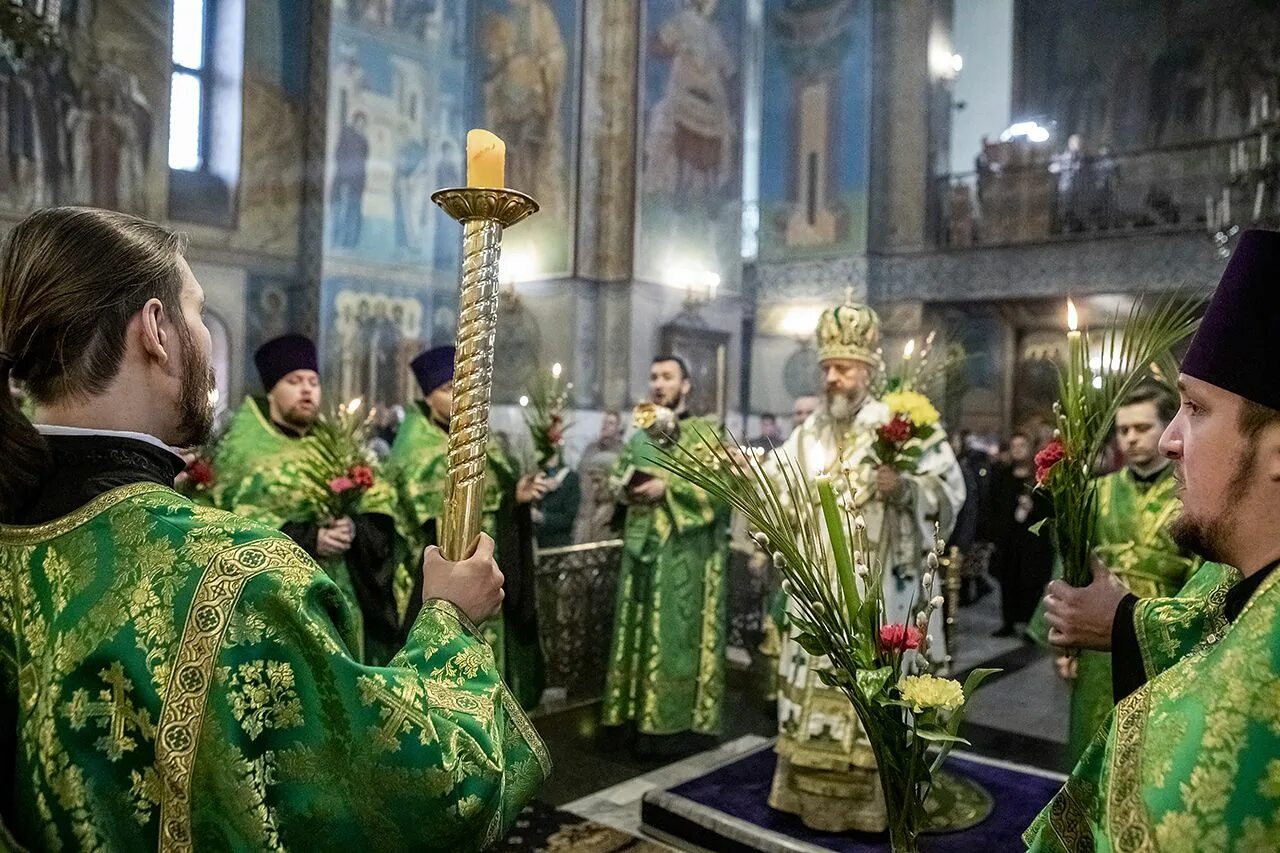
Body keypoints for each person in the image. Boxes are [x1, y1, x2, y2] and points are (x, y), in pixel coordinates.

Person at [0, 206, 547, 849]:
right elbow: (413, 793)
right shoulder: (237, 576)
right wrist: (451, 620)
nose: (202, 335)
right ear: (155, 329)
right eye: (198, 313)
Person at [1025, 229, 1280, 850]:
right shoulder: (1234, 569)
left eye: (1195, 409)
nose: (1165, 441)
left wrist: (1121, 622)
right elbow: (1208, 617)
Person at [768, 297, 966, 833]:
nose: (833, 378)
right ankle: (805, 796)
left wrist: (903, 487)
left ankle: (876, 806)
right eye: (827, 368)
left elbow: (950, 487)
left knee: (878, 687)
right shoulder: (810, 429)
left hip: (882, 588)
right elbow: (782, 480)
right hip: (817, 589)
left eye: (844, 368)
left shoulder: (900, 422)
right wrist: (753, 474)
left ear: (869, 371)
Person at [1030, 384, 1201, 764]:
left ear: (1168, 426)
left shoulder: (1191, 494)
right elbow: (1071, 566)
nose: (1131, 437)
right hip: (1095, 647)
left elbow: (1202, 574)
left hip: (1164, 638)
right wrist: (1062, 640)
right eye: (1123, 430)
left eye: (1142, 427)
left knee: (1155, 753)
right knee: (1092, 745)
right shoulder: (1095, 492)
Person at [210, 334, 403, 665]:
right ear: (271, 389)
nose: (306, 390)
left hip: (340, 593)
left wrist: (354, 529)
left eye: (313, 382)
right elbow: (228, 519)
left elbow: (380, 496)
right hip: (274, 602)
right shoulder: (242, 450)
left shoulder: (337, 446)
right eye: (294, 381)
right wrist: (310, 538)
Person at [388, 345, 549, 710]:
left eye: (464, 386)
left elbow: (500, 494)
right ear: (428, 398)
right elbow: (409, 519)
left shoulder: (481, 440)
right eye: (448, 388)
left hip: (489, 565)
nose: (460, 395)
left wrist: (516, 497)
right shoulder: (414, 446)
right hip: (440, 575)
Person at [600, 355, 730, 751]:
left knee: (676, 636)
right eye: (654, 376)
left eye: (668, 377)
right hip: (641, 550)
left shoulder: (706, 433)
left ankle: (675, 725)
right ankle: (633, 717)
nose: (659, 384)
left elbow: (722, 490)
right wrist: (625, 487)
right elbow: (617, 474)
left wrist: (668, 489)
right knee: (637, 629)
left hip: (684, 555)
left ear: (685, 384)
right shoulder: (640, 433)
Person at [988, 431, 1054, 637]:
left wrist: (1032, 507)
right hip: (1008, 540)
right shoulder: (1002, 475)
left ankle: (1029, 625)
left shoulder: (1039, 477)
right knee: (1008, 582)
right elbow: (993, 507)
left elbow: (1049, 509)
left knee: (1031, 583)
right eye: (1014, 446)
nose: (1018, 451)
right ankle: (1008, 621)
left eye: (1022, 446)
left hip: (1033, 542)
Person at [532, 447, 580, 549]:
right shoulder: (537, 476)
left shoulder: (570, 478)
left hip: (560, 542)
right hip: (537, 541)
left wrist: (541, 517)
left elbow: (569, 518)